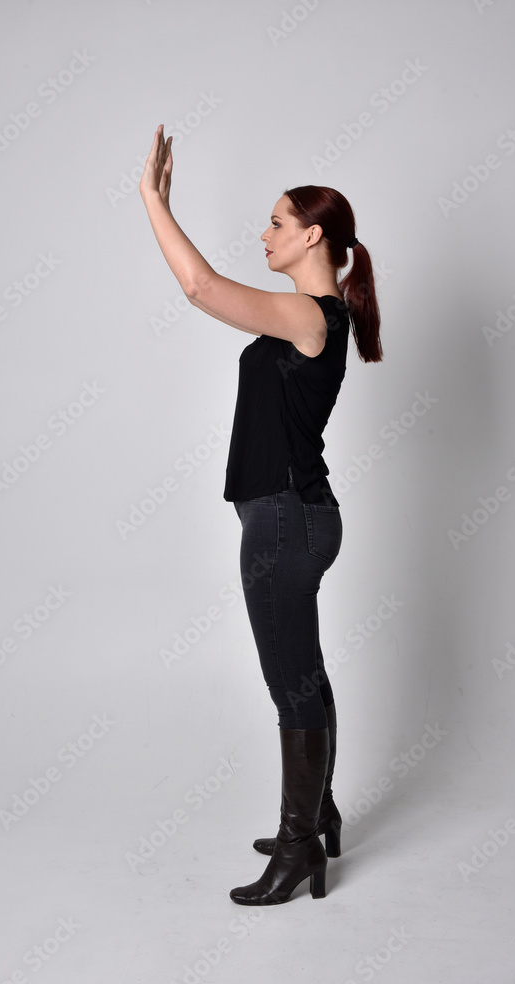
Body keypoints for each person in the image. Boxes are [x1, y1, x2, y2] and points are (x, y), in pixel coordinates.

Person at [139, 125, 382, 905]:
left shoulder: (312, 316)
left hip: (286, 521)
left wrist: (152, 200)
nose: (265, 234)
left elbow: (202, 289)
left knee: (290, 686)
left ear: (312, 235)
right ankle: (318, 813)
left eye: (277, 222)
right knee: (303, 675)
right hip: (291, 515)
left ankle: (299, 846)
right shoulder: (315, 317)